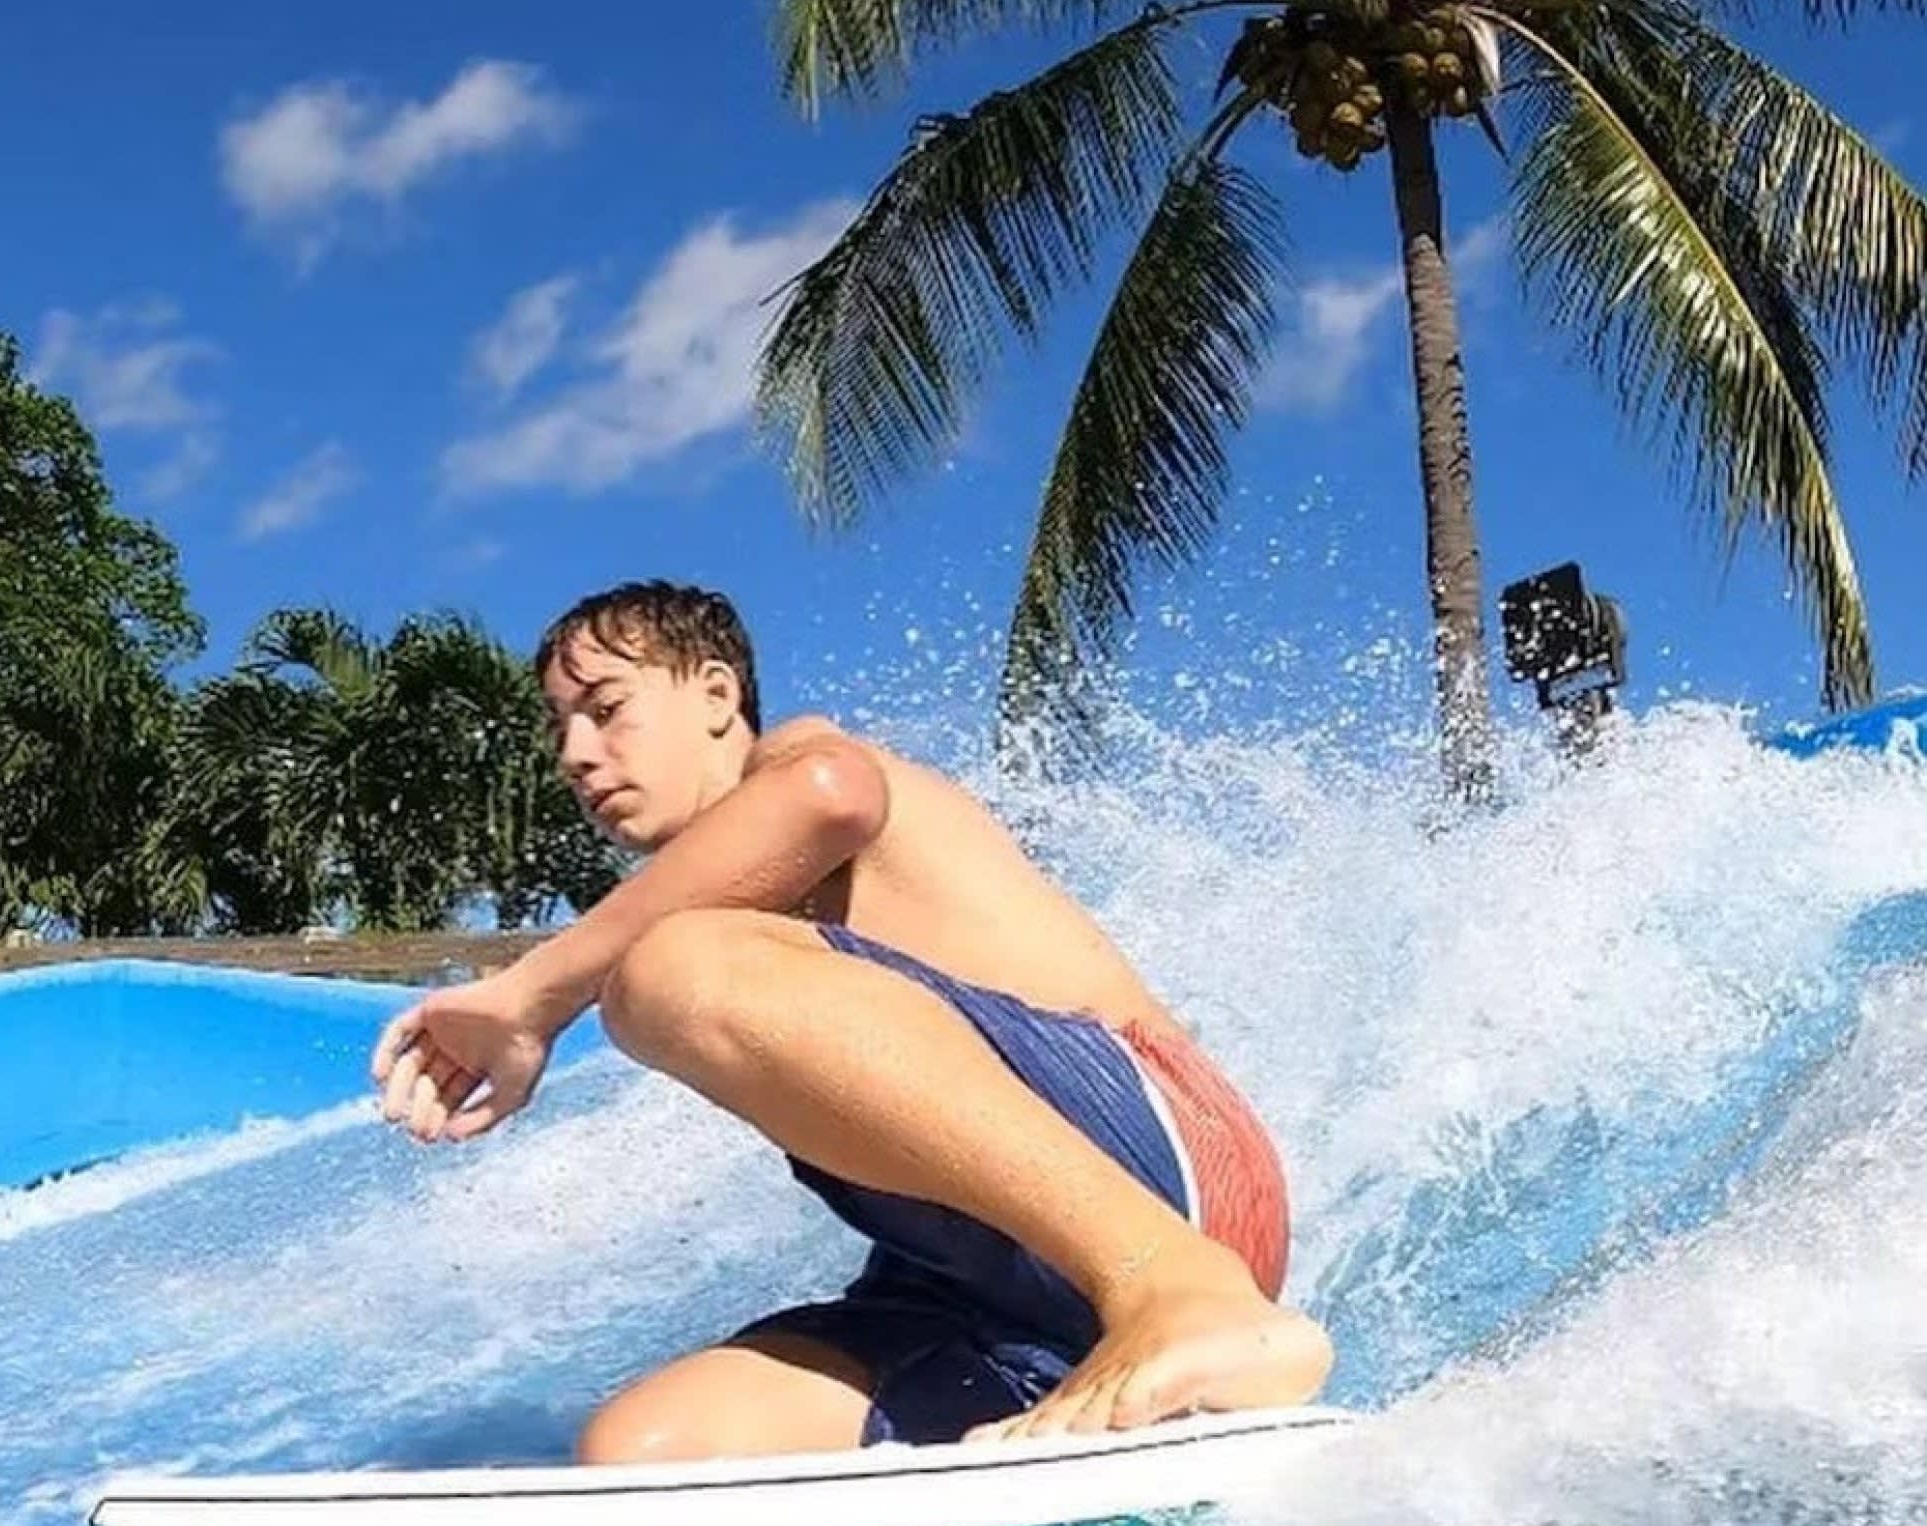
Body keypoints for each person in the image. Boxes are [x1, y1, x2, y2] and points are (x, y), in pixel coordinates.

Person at [370, 580, 1331, 1460]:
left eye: (606, 708)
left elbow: (830, 796)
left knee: (669, 968)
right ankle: (1118, 1386)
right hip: (986, 1293)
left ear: (715, 694)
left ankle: (1186, 1298)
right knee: (647, 1451)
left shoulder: (793, 761)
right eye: (560, 728)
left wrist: (535, 996)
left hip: (1162, 1172)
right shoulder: (722, 894)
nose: (576, 754)